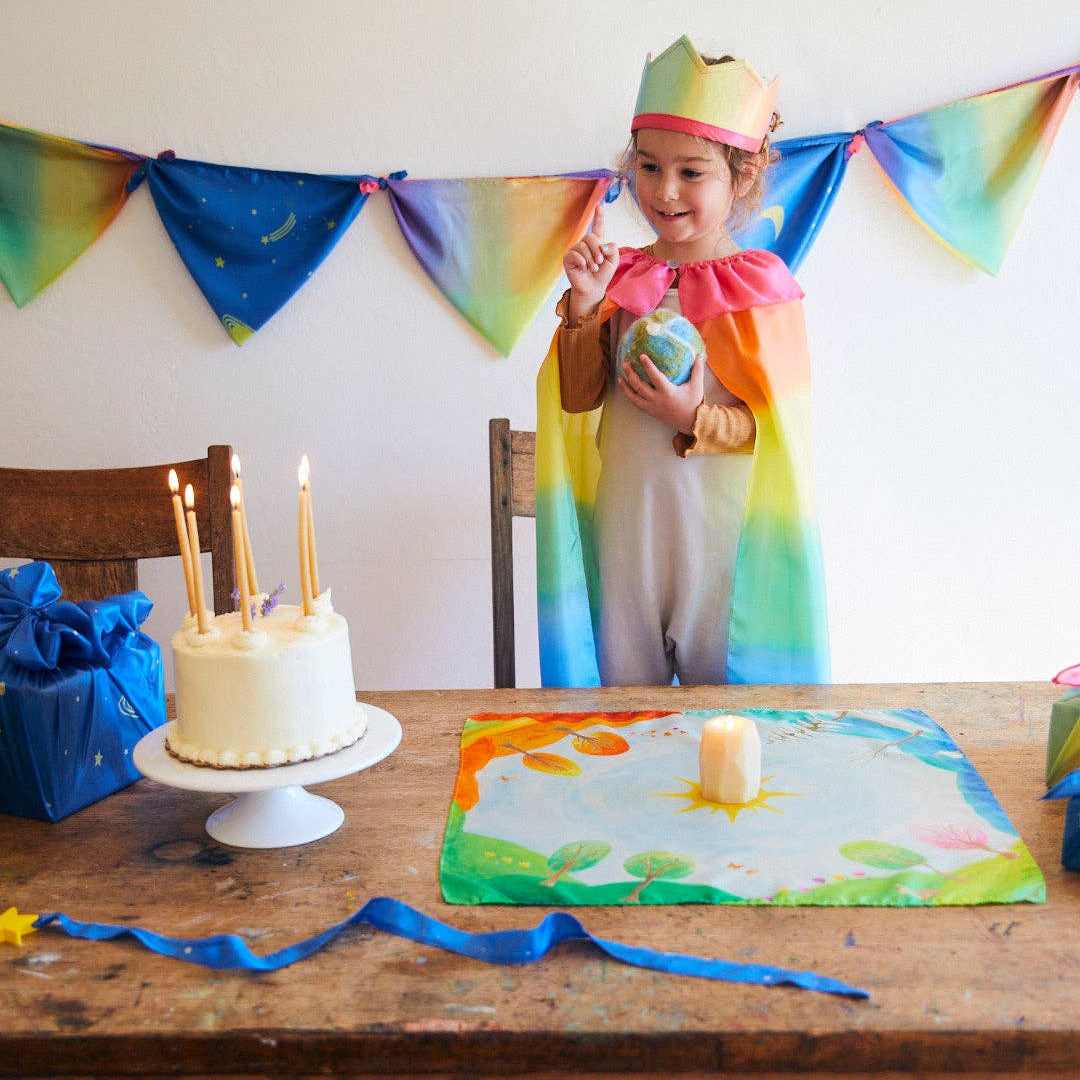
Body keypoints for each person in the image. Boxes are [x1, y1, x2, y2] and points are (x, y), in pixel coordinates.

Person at [535, 34, 829, 688]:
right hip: (627, 529)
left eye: (692, 172)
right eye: (648, 166)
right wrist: (585, 305)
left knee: (723, 709)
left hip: (718, 539)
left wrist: (693, 417)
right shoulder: (619, 276)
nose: (664, 190)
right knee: (624, 706)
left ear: (741, 177)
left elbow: (776, 431)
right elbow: (578, 399)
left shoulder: (762, 288)